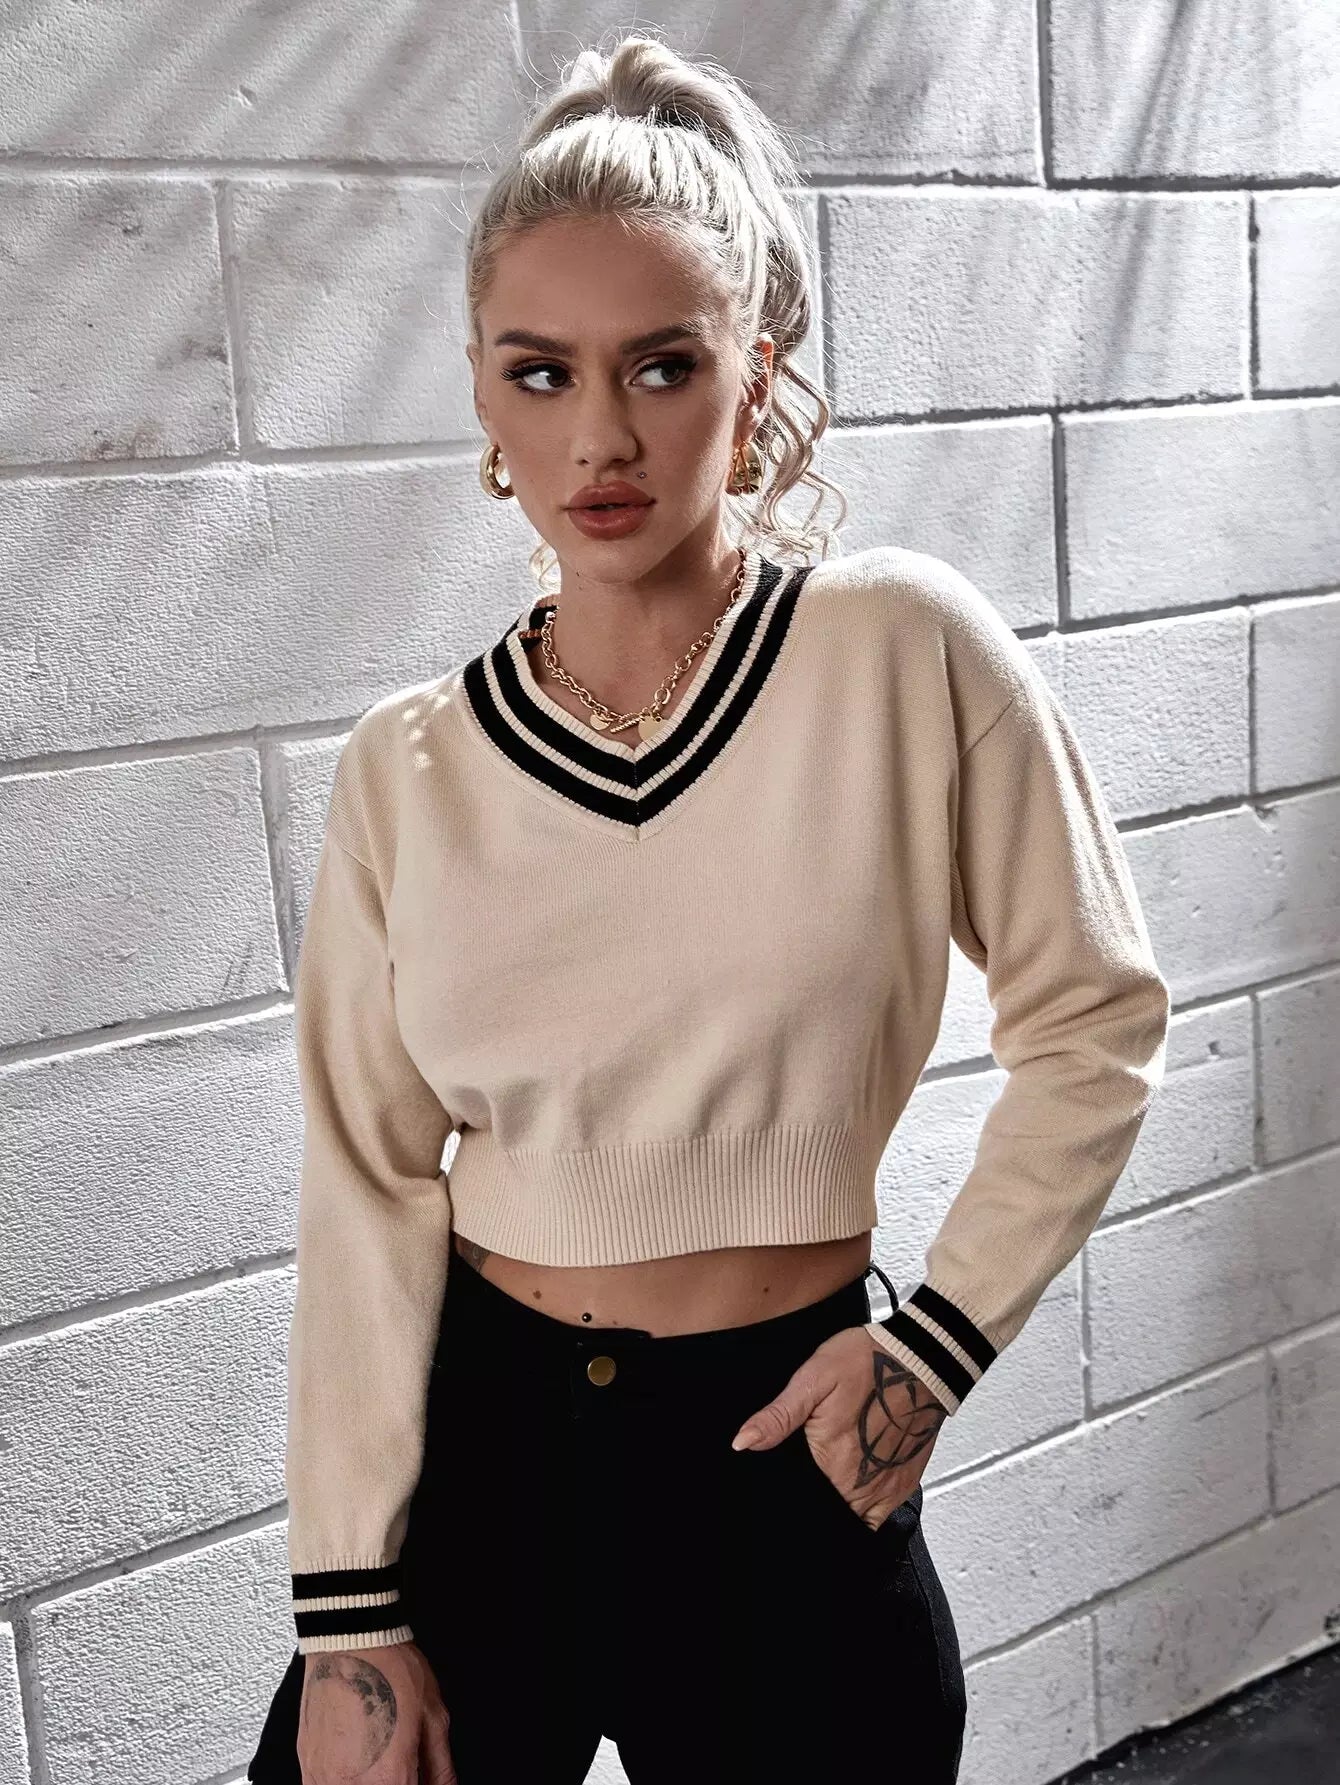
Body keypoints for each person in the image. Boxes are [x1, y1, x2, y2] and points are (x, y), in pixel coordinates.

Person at [246, 29, 1171, 1785]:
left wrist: (928, 1355)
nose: (598, 434)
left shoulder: (901, 653)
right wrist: (347, 1607)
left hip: (781, 1455)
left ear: (757, 377)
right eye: (539, 372)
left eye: (662, 366)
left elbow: (1097, 1018)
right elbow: (366, 1183)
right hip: (482, 1463)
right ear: (483, 396)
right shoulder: (407, 767)